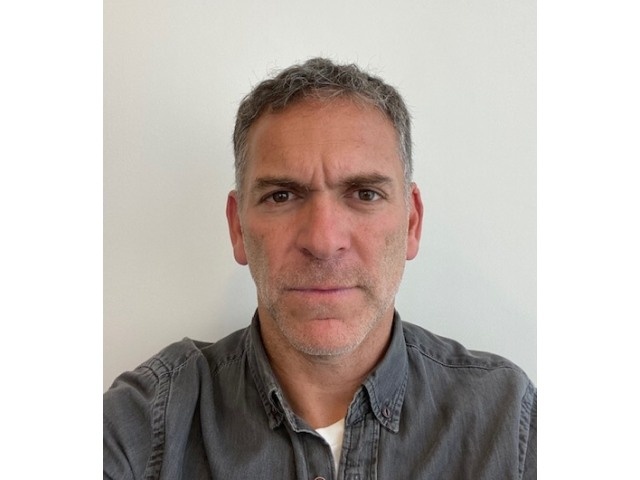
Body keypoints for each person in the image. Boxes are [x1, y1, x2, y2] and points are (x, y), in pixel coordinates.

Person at [103, 57, 536, 479]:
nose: (324, 242)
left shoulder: (507, 422)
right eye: (281, 196)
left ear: (411, 223)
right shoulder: (146, 423)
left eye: (365, 194)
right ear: (238, 228)